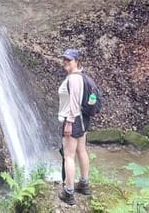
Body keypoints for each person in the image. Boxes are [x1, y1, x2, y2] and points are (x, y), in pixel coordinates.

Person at [57, 48, 91, 206]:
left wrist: (69, 122)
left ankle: (69, 192)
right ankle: (84, 184)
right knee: (81, 150)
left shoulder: (74, 79)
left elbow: (74, 102)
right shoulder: (81, 76)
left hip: (73, 119)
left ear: (77, 61)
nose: (65, 62)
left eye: (69, 60)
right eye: (64, 59)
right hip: (82, 119)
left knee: (69, 156)